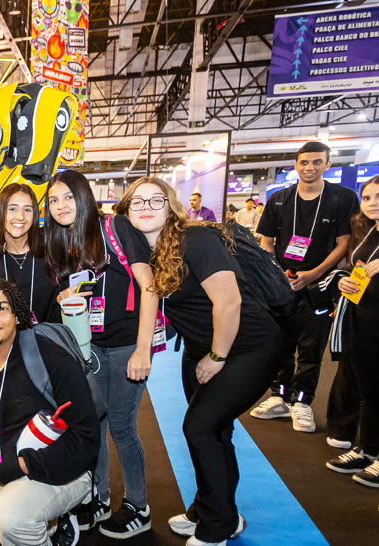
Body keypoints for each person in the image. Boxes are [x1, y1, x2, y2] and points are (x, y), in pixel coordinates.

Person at [122, 177, 279, 546]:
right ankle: (212, 509)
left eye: (154, 199)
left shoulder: (195, 238)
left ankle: (219, 524)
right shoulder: (154, 249)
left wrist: (216, 356)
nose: (145, 207)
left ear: (171, 204)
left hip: (246, 347)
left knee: (201, 428)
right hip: (201, 349)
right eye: (136, 202)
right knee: (216, 432)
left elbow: (229, 303)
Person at [0, 276, 101, 546]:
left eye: (2, 308)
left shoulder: (50, 359)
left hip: (63, 467)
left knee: (10, 516)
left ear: (18, 316)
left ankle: (49, 521)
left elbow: (87, 436)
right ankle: (48, 524)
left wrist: (23, 464)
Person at [43, 170, 159, 537]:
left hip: (127, 345)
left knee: (123, 428)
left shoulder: (116, 228)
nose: (60, 206)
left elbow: (150, 287)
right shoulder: (61, 243)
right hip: (91, 347)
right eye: (52, 200)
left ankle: (139, 507)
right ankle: (101, 497)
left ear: (84, 196)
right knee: (95, 423)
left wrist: (143, 350)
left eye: (67, 197)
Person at [252, 141, 359, 432]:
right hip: (282, 283)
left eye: (316, 162)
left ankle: (302, 401)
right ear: (296, 165)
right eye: (304, 162)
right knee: (280, 343)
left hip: (319, 284)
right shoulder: (279, 199)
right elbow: (266, 240)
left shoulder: (342, 197)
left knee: (311, 346)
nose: (309, 167)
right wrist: (276, 273)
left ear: (327, 164)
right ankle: (279, 397)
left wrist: (314, 273)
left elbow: (345, 243)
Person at [325, 174, 379, 489]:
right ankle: (366, 449)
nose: (373, 203)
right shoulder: (367, 230)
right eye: (368, 197)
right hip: (362, 323)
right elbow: (351, 267)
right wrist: (342, 280)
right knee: (369, 391)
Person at [0, 184, 55, 324]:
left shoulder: (50, 253)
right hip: (12, 342)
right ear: (0, 212)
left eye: (27, 210)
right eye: (12, 209)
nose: (20, 216)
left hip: (50, 339)